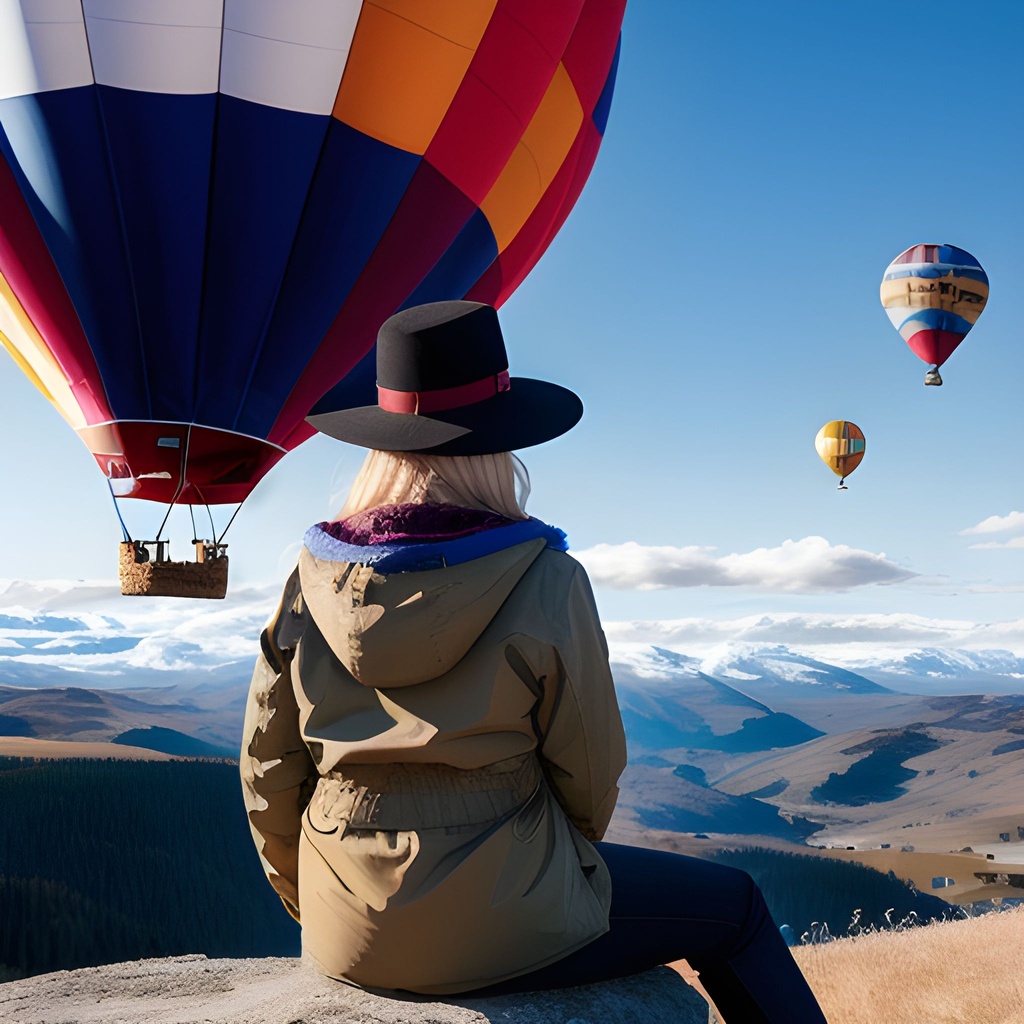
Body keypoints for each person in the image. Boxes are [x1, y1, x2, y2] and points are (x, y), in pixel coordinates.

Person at [240, 301, 828, 1023]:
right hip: (504, 920)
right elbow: (589, 768)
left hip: (343, 927)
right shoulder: (546, 578)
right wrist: (552, 877)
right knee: (736, 908)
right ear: (499, 450)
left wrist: (320, 903)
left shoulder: (307, 581)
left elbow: (268, 769)